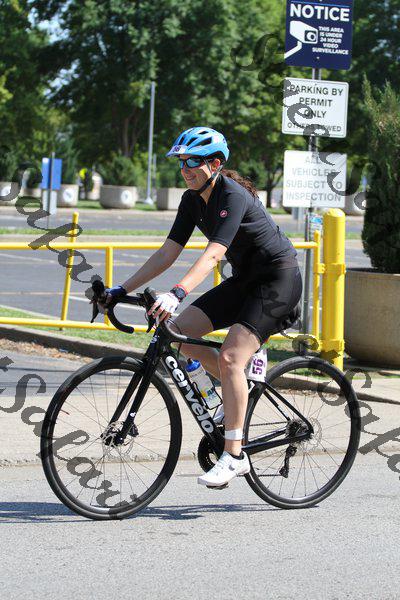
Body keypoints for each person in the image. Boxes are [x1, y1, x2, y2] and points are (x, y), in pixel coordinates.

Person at [104, 126, 302, 488]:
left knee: (230, 358)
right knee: (179, 334)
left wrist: (177, 293)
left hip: (277, 282)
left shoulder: (233, 195)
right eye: (181, 163)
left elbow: (213, 254)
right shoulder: (191, 200)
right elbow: (167, 252)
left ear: (215, 163)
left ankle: (235, 456)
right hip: (245, 281)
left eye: (193, 161)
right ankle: (239, 386)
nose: (185, 169)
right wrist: (120, 289)